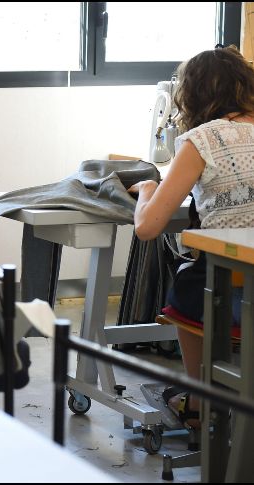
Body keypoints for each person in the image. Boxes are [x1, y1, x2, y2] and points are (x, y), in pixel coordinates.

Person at [128, 45, 254, 428]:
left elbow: (148, 228)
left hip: (233, 293)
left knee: (188, 282)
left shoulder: (202, 140)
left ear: (192, 95)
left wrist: (149, 189)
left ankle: (200, 401)